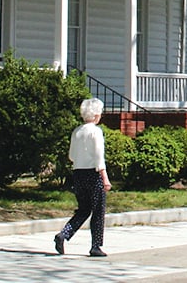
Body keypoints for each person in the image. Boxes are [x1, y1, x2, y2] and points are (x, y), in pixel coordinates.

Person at [53, 97, 112, 257]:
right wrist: (105, 178)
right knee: (98, 210)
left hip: (78, 173)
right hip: (93, 174)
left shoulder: (76, 131)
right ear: (95, 115)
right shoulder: (96, 131)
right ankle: (96, 245)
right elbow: (99, 157)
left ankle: (64, 234)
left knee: (84, 209)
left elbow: (71, 155)